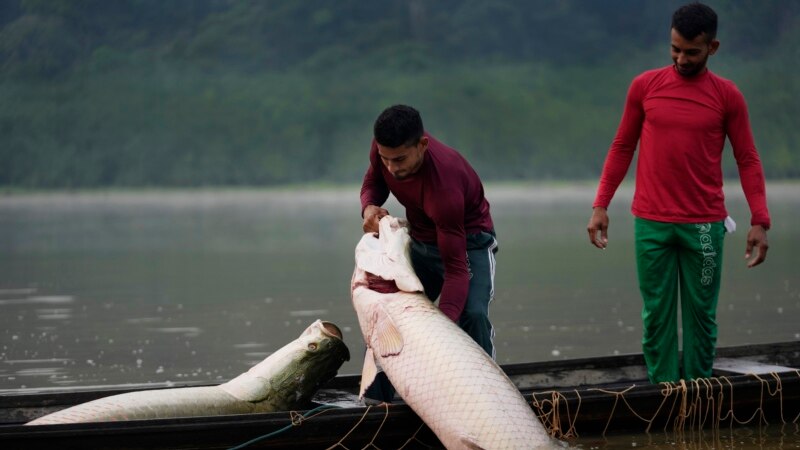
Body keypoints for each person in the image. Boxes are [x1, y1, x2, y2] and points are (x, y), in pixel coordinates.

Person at [586, 2, 770, 384]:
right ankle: (665, 391)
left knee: (701, 315)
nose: (681, 58)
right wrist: (600, 205)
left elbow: (748, 158)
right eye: (675, 49)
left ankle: (700, 392)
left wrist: (759, 220)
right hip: (651, 223)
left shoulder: (727, 96)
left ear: (712, 48)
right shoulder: (645, 86)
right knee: (657, 313)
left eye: (691, 51)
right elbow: (622, 146)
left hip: (704, 226)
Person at [360, 104, 498, 401]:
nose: (392, 169)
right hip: (421, 241)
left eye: (400, 160)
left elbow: (456, 272)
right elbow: (373, 181)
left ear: (422, 145)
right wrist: (369, 206)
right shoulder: (383, 152)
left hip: (468, 245)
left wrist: (440, 328)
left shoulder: (444, 185)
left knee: (470, 314)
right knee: (387, 315)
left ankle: (485, 394)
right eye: (386, 159)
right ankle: (376, 399)